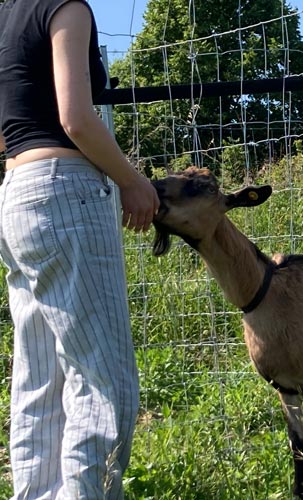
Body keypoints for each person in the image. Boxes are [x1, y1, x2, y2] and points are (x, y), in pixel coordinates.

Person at [0, 0, 159, 497]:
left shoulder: (7, 16)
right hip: (65, 191)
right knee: (103, 380)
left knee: (39, 383)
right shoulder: (65, 7)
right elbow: (76, 118)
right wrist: (132, 181)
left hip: (15, 194)